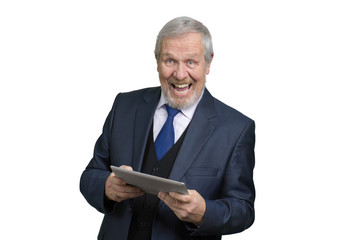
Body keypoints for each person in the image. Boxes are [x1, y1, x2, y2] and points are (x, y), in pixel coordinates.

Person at [80, 16, 256, 240]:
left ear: (208, 63)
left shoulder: (236, 129)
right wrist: (106, 187)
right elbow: (90, 176)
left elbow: (243, 209)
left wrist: (204, 213)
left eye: (191, 62)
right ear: (157, 60)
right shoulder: (124, 106)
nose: (180, 74)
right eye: (170, 61)